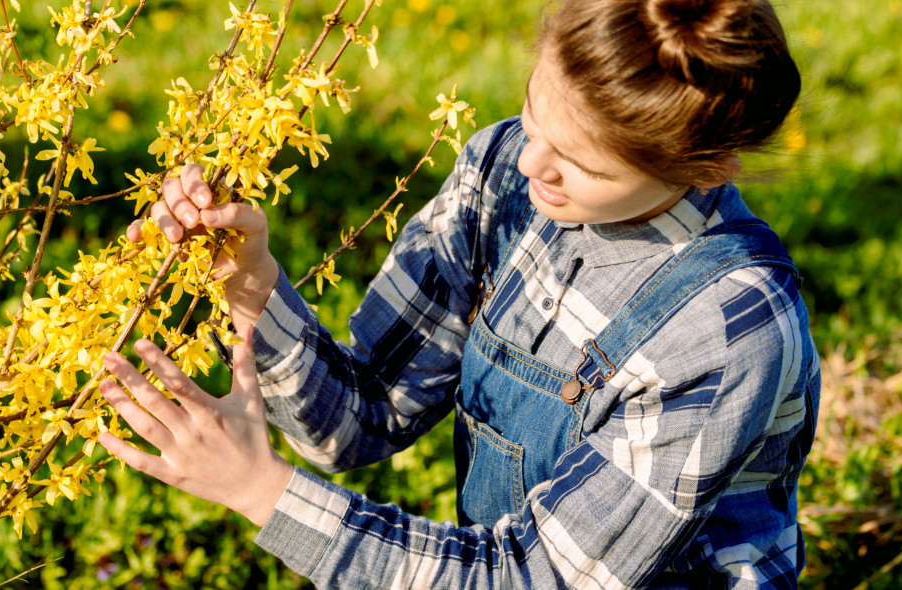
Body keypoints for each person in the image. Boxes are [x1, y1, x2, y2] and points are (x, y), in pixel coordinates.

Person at [98, 0, 821, 587]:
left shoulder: (727, 327)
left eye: (583, 162)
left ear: (707, 166)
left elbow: (530, 580)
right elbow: (361, 415)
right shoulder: (504, 173)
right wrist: (249, 281)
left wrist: (261, 491)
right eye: (537, 116)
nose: (535, 165)